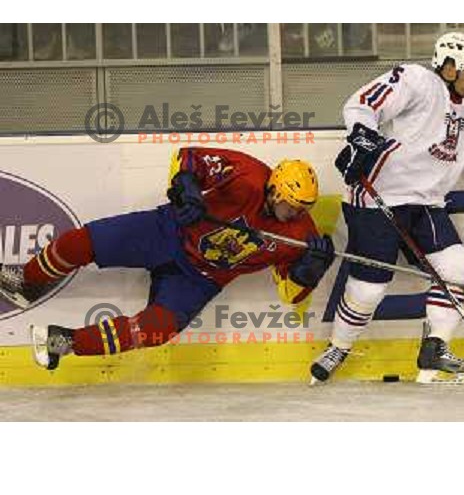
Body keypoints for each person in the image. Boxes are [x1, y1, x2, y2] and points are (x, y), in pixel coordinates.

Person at [311, 31, 464, 384]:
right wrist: (362, 135)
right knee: (369, 288)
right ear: (449, 66)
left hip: (427, 205)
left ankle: (434, 349)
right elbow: (362, 104)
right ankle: (339, 347)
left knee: (456, 267)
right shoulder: (417, 81)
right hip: (378, 197)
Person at [0, 147, 334, 370]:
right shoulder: (246, 173)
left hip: (199, 279)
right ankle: (27, 281)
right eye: (291, 204)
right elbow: (187, 158)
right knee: (81, 242)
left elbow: (290, 296)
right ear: (275, 189)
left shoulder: (300, 234)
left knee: (159, 329)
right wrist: (186, 188)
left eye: (303, 208)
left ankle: (63, 341)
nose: (295, 213)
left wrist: (309, 271)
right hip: (167, 231)